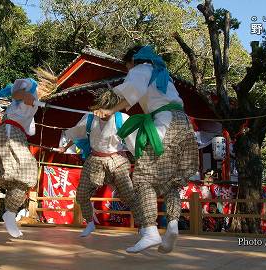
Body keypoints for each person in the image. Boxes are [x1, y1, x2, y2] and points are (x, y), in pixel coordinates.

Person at [94, 45, 199, 253]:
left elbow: (132, 92)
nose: (127, 71)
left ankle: (150, 230)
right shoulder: (163, 75)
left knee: (142, 179)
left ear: (133, 61)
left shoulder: (140, 69)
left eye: (127, 67)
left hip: (164, 123)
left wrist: (109, 110)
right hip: (183, 124)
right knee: (170, 181)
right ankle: (172, 225)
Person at [57, 90, 139, 237]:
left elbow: (134, 142)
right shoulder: (90, 118)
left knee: (129, 195)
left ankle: (145, 225)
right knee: (81, 195)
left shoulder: (123, 119)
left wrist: (140, 158)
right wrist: (65, 147)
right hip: (94, 160)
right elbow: (77, 133)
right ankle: (89, 223)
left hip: (117, 160)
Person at [0, 78, 38, 238]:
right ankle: (9, 213)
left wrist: (31, 103)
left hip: (17, 134)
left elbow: (31, 131)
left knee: (21, 182)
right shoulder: (32, 85)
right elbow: (15, 91)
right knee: (28, 172)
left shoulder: (35, 103)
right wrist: (24, 95)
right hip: (10, 132)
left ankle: (10, 213)